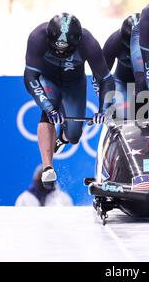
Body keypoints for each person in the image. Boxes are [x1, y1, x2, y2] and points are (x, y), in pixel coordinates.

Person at [24, 13, 115, 189]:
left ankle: (63, 138)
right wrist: (48, 107)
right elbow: (30, 76)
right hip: (48, 79)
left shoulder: (88, 42)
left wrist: (105, 109)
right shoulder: (37, 37)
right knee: (49, 110)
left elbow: (106, 79)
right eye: (57, 50)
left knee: (74, 136)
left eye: (66, 51)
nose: (61, 54)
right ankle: (47, 167)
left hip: (74, 84)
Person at [102, 13, 141, 119]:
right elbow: (100, 75)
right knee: (124, 116)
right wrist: (106, 100)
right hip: (122, 82)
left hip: (147, 85)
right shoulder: (114, 42)